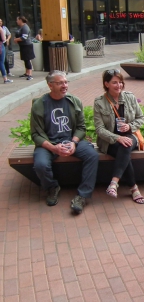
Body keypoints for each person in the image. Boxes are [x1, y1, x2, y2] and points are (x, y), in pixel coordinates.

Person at [30, 70, 99, 213]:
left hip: (70, 141)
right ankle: (52, 187)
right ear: (50, 85)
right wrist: (54, 148)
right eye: (60, 83)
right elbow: (36, 134)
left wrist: (74, 142)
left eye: (66, 82)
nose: (64, 85)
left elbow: (81, 127)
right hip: (49, 143)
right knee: (40, 164)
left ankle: (82, 195)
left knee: (92, 155)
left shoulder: (74, 101)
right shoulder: (39, 104)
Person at [94, 69, 144, 204]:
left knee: (126, 144)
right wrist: (117, 138)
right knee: (123, 147)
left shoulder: (129, 97)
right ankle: (133, 188)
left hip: (131, 135)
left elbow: (141, 118)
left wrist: (129, 126)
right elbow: (99, 129)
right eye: (114, 83)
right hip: (110, 141)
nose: (119, 85)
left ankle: (114, 183)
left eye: (120, 82)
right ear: (106, 84)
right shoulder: (99, 102)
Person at [14, 16, 35, 80]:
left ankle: (30, 74)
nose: (16, 21)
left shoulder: (25, 27)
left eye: (17, 20)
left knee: (27, 59)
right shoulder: (21, 27)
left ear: (20, 20)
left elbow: (24, 37)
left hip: (27, 45)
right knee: (25, 59)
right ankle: (27, 73)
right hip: (23, 45)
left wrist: (16, 39)